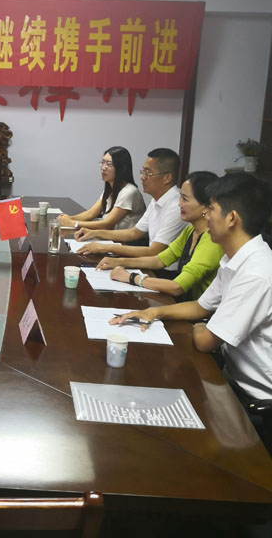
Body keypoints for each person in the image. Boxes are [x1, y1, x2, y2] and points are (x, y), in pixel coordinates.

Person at [111, 172, 272, 406]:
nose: (207, 217)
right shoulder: (234, 259)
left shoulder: (255, 274)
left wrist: (202, 327)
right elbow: (200, 307)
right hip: (229, 375)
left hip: (254, 398)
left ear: (231, 219)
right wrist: (153, 312)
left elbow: (205, 341)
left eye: (212, 210)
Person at [97, 171, 223, 301]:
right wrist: (119, 262)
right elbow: (159, 260)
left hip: (195, 306)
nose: (179, 204)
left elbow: (177, 287)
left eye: (185, 199)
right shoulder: (192, 229)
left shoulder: (211, 240)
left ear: (206, 206)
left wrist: (130, 277)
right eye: (180, 197)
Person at [75, 148, 188, 260]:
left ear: (167, 178)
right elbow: (133, 233)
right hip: (149, 261)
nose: (142, 177)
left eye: (148, 173)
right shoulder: (156, 201)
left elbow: (154, 252)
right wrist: (94, 233)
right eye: (143, 171)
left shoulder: (176, 207)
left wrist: (107, 247)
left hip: (163, 268)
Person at [58, 146, 145, 231]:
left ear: (121, 168)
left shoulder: (129, 192)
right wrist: (68, 219)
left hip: (125, 240)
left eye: (109, 164)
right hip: (110, 237)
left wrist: (73, 223)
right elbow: (90, 214)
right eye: (102, 162)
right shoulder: (110, 190)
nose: (103, 168)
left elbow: (106, 224)